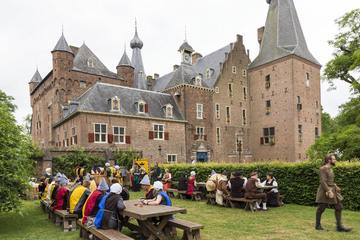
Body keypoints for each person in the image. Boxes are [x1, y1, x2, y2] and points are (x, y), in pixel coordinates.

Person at [315, 154, 352, 232]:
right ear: (329, 160)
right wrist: (329, 191)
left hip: (332, 189)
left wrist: (334, 185)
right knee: (321, 208)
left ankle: (339, 227)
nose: (335, 160)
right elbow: (322, 181)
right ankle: (317, 226)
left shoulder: (331, 168)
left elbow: (329, 180)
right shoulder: (323, 169)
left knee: (338, 207)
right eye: (334, 159)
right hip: (324, 191)